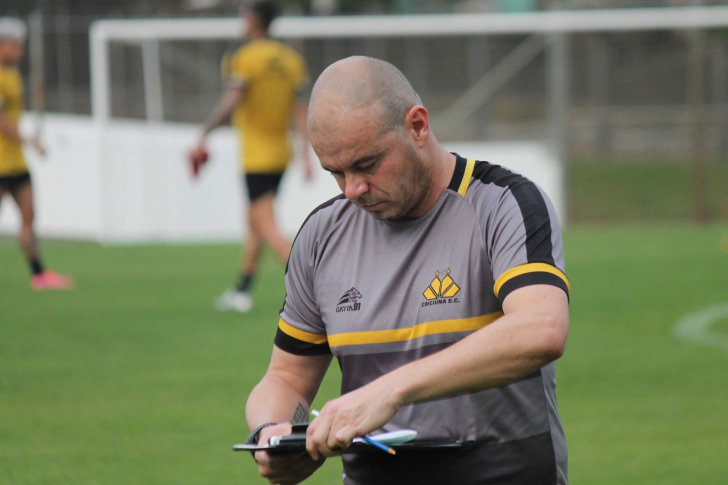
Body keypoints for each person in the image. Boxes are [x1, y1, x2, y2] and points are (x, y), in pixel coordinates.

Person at [244, 56, 571, 485]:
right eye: (335, 173)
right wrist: (273, 434)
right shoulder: (323, 235)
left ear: (417, 126)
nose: (353, 189)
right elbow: (285, 376)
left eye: (366, 164)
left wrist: (388, 392)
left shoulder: (503, 203)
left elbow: (540, 330)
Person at [188, 0, 312, 313]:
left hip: (256, 154)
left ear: (254, 19)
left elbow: (233, 98)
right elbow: (301, 111)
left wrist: (204, 133)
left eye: (244, 13)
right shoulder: (291, 59)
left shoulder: (244, 57)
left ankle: (314, 282)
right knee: (255, 222)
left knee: (265, 224)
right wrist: (306, 154)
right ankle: (242, 291)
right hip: (281, 153)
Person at [0, 17, 72, 291]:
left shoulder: (13, 74)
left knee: (29, 219)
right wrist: (29, 141)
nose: (20, 49)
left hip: (16, 163)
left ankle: (39, 274)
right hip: (0, 163)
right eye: (14, 44)